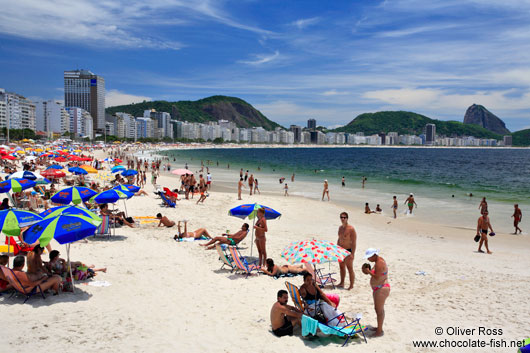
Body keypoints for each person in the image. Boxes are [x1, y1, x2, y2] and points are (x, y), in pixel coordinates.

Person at [362, 248, 390, 337]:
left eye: (369, 257)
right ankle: (379, 328)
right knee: (378, 309)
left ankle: (379, 331)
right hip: (378, 288)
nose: (368, 259)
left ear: (374, 255)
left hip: (381, 288)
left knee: (379, 310)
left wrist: (368, 271)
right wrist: (367, 271)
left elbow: (377, 277)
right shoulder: (378, 262)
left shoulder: (379, 262)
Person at [337, 212, 356, 290]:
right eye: (341, 217)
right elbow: (339, 239)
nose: (343, 219)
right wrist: (337, 249)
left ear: (347, 218)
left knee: (349, 268)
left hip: (348, 251)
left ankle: (351, 285)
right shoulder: (340, 228)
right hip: (341, 250)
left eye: (344, 217)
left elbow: (354, 242)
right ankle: (342, 282)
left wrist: (352, 254)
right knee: (341, 267)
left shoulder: (351, 229)